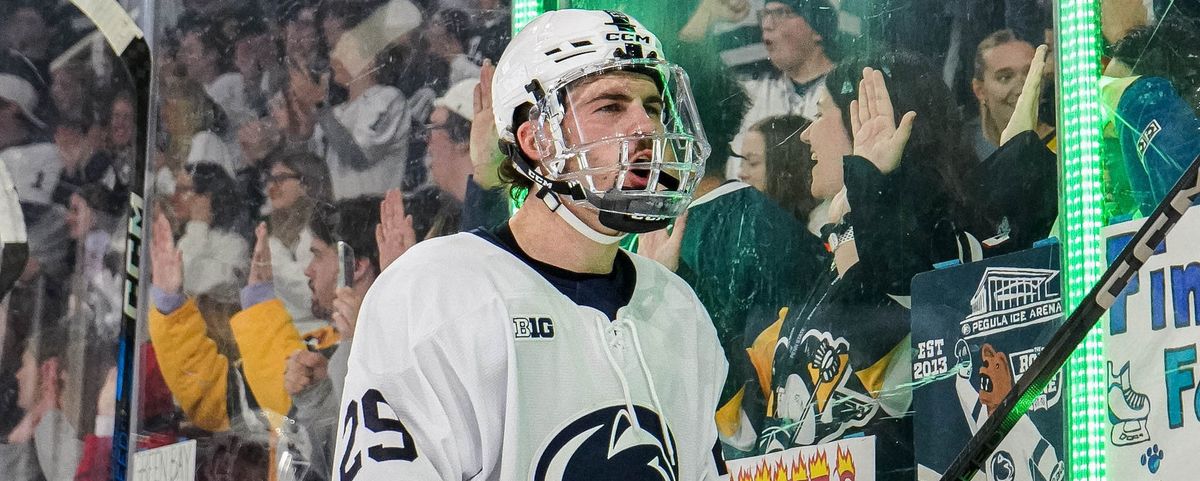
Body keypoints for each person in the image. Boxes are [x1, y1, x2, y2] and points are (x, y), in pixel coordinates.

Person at [334, 9, 727, 480]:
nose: (646, 128)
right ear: (536, 139)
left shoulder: (677, 307)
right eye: (610, 107)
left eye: (654, 107)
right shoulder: (433, 292)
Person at [733, 0, 837, 179]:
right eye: (765, 15)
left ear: (817, 29)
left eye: (782, 13)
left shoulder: (845, 90)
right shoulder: (750, 94)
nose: (767, 25)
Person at [264, 151, 334, 333]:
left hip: (323, 333)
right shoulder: (273, 230)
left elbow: (310, 294)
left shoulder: (323, 228)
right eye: (270, 180)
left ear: (306, 184)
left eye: (280, 179)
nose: (271, 187)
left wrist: (271, 258)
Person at [967, 29, 1046, 161]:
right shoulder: (967, 154)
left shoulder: (1064, 146)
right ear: (980, 90)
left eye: (1030, 74)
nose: (1022, 89)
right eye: (1005, 77)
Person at [738, 114, 822, 229]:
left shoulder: (820, 228)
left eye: (753, 162)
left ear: (785, 168)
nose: (741, 174)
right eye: (742, 163)